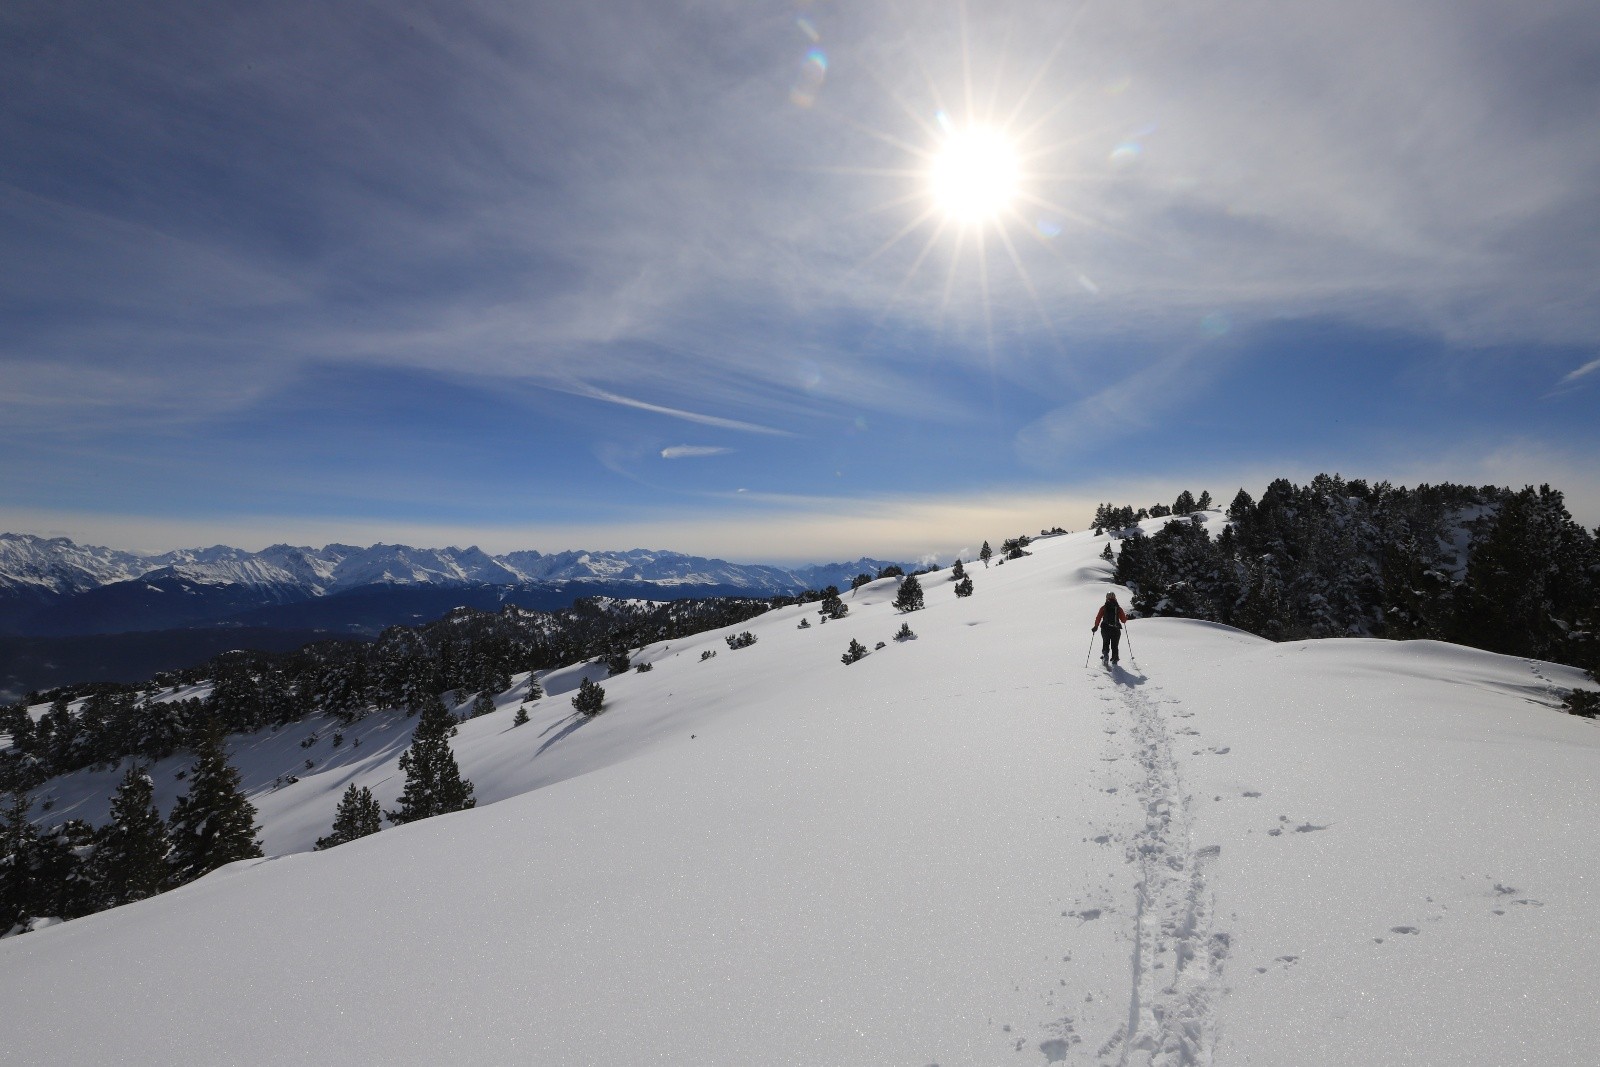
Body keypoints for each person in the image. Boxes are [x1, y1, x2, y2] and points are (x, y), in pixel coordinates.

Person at [1092, 592, 1128, 665]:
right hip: (1116, 629)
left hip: (1105, 628)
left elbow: (1098, 618)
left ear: (1106, 598)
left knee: (1106, 642)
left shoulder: (1103, 607)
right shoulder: (1118, 608)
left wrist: (1096, 626)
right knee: (1115, 645)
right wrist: (1126, 617)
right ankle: (1115, 658)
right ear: (1115, 598)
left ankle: (1105, 655)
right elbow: (1123, 620)